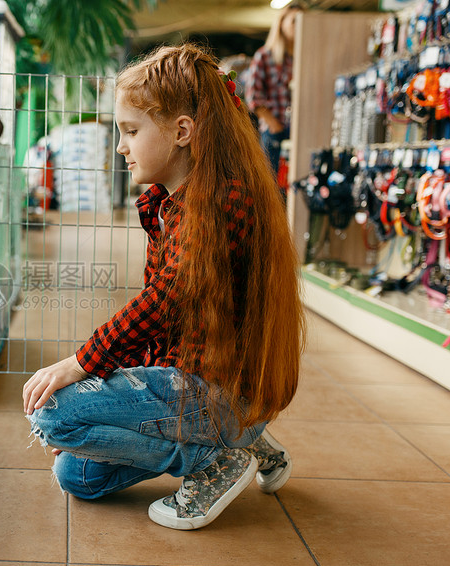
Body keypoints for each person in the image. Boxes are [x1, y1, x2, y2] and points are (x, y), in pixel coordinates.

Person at [23, 43, 304, 531]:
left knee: (55, 414)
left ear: (181, 131)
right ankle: (245, 443)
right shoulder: (172, 201)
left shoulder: (216, 203)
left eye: (131, 130)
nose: (120, 146)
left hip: (220, 390)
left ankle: (216, 461)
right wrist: (109, 401)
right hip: (197, 383)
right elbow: (166, 319)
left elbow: (166, 297)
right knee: (76, 475)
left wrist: (82, 365)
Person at [246, 3, 303, 175]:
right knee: (272, 185)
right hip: (275, 132)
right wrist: (273, 124)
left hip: (300, 131)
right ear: (282, 23)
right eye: (294, 21)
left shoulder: (305, 57)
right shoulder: (265, 55)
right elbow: (253, 95)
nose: (299, 25)